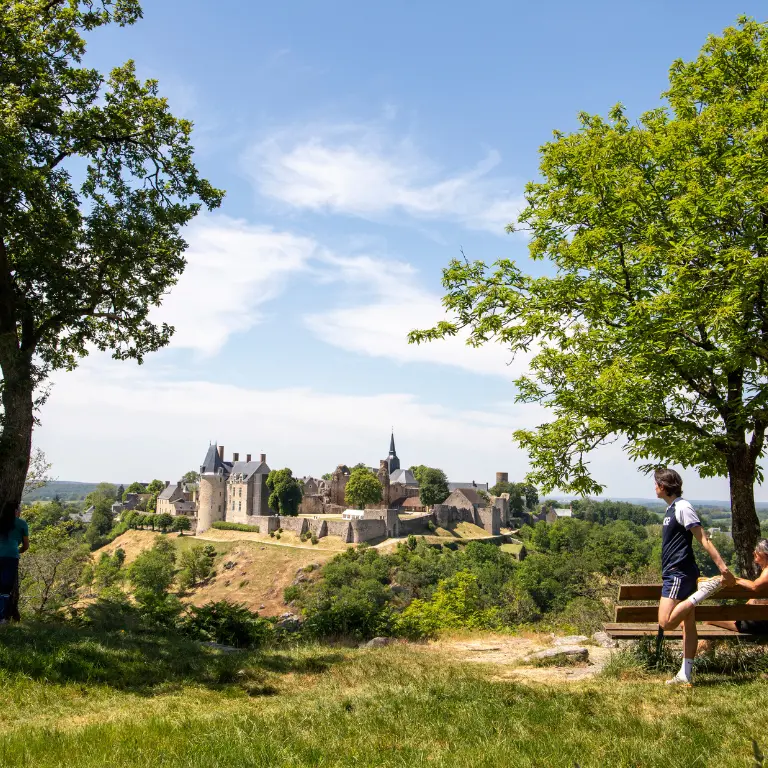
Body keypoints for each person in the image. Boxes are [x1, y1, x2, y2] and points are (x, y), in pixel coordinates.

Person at [653, 468, 735, 686]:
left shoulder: (683, 507)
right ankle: (685, 674)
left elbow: (703, 539)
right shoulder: (673, 508)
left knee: (666, 622)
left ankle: (703, 592)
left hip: (678, 573)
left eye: (656, 484)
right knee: (687, 624)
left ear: (663, 486)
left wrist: (722, 568)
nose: (654, 488)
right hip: (682, 572)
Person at [0, 505, 29, 623]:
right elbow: (26, 546)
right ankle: (2, 618)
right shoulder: (22, 524)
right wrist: (18, 550)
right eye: (20, 510)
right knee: (5, 588)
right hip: (11, 556)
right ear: (16, 511)